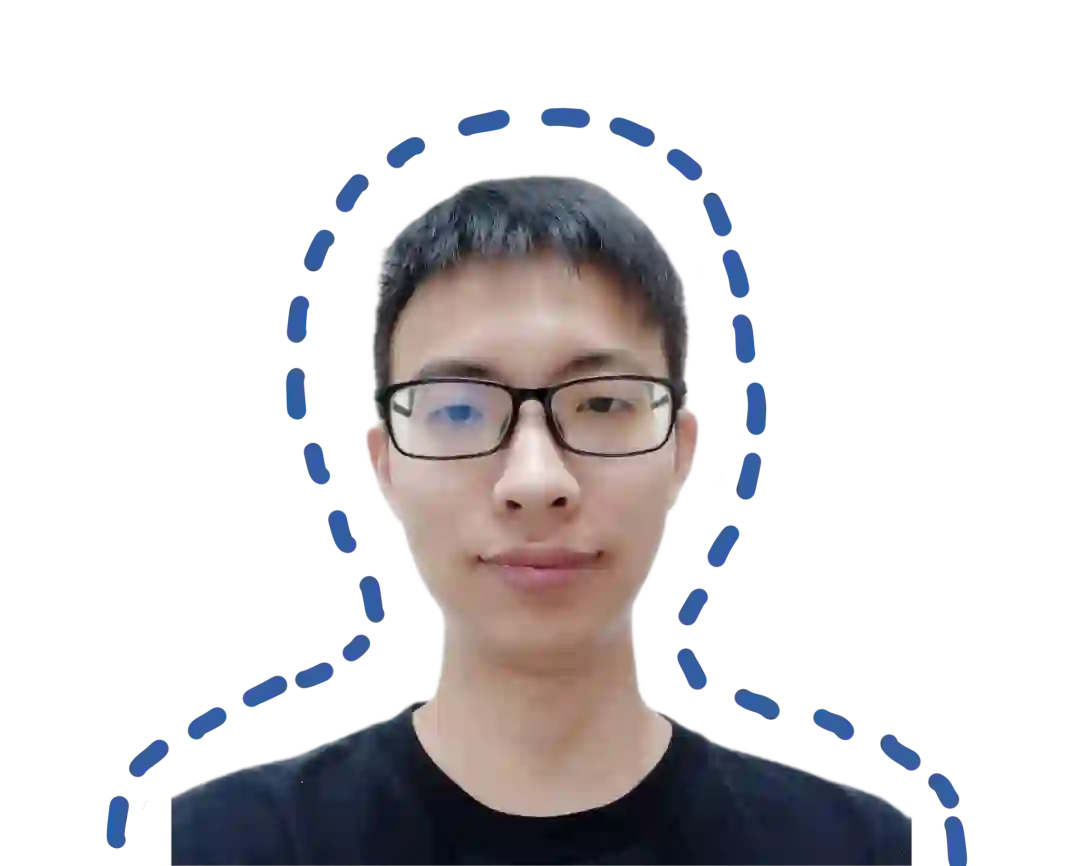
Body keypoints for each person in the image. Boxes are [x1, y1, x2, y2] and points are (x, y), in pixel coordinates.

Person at [169, 175, 919, 864]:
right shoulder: (216, 846)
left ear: (681, 450)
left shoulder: (862, 852)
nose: (534, 481)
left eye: (601, 402)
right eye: (459, 410)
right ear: (385, 461)